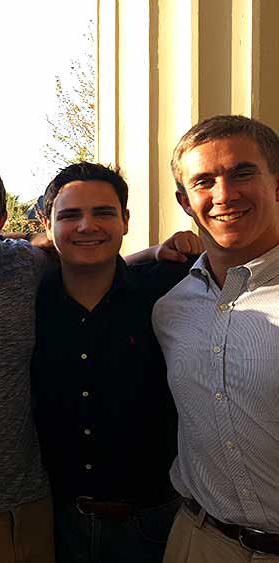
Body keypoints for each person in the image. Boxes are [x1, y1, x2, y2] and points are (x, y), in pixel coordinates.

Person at [0, 156, 196, 563]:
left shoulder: (23, 268)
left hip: (41, 505)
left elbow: (88, 251)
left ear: (0, 221)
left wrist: (157, 253)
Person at [30, 162, 197, 563]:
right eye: (70, 215)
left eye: (103, 213)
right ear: (49, 226)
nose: (87, 226)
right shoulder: (27, 296)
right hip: (55, 525)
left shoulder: (174, 288)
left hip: (154, 526)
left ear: (124, 219)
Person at [154, 114, 279, 562]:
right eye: (203, 181)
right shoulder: (170, 308)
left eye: (242, 172)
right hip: (200, 541)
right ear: (185, 202)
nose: (224, 195)